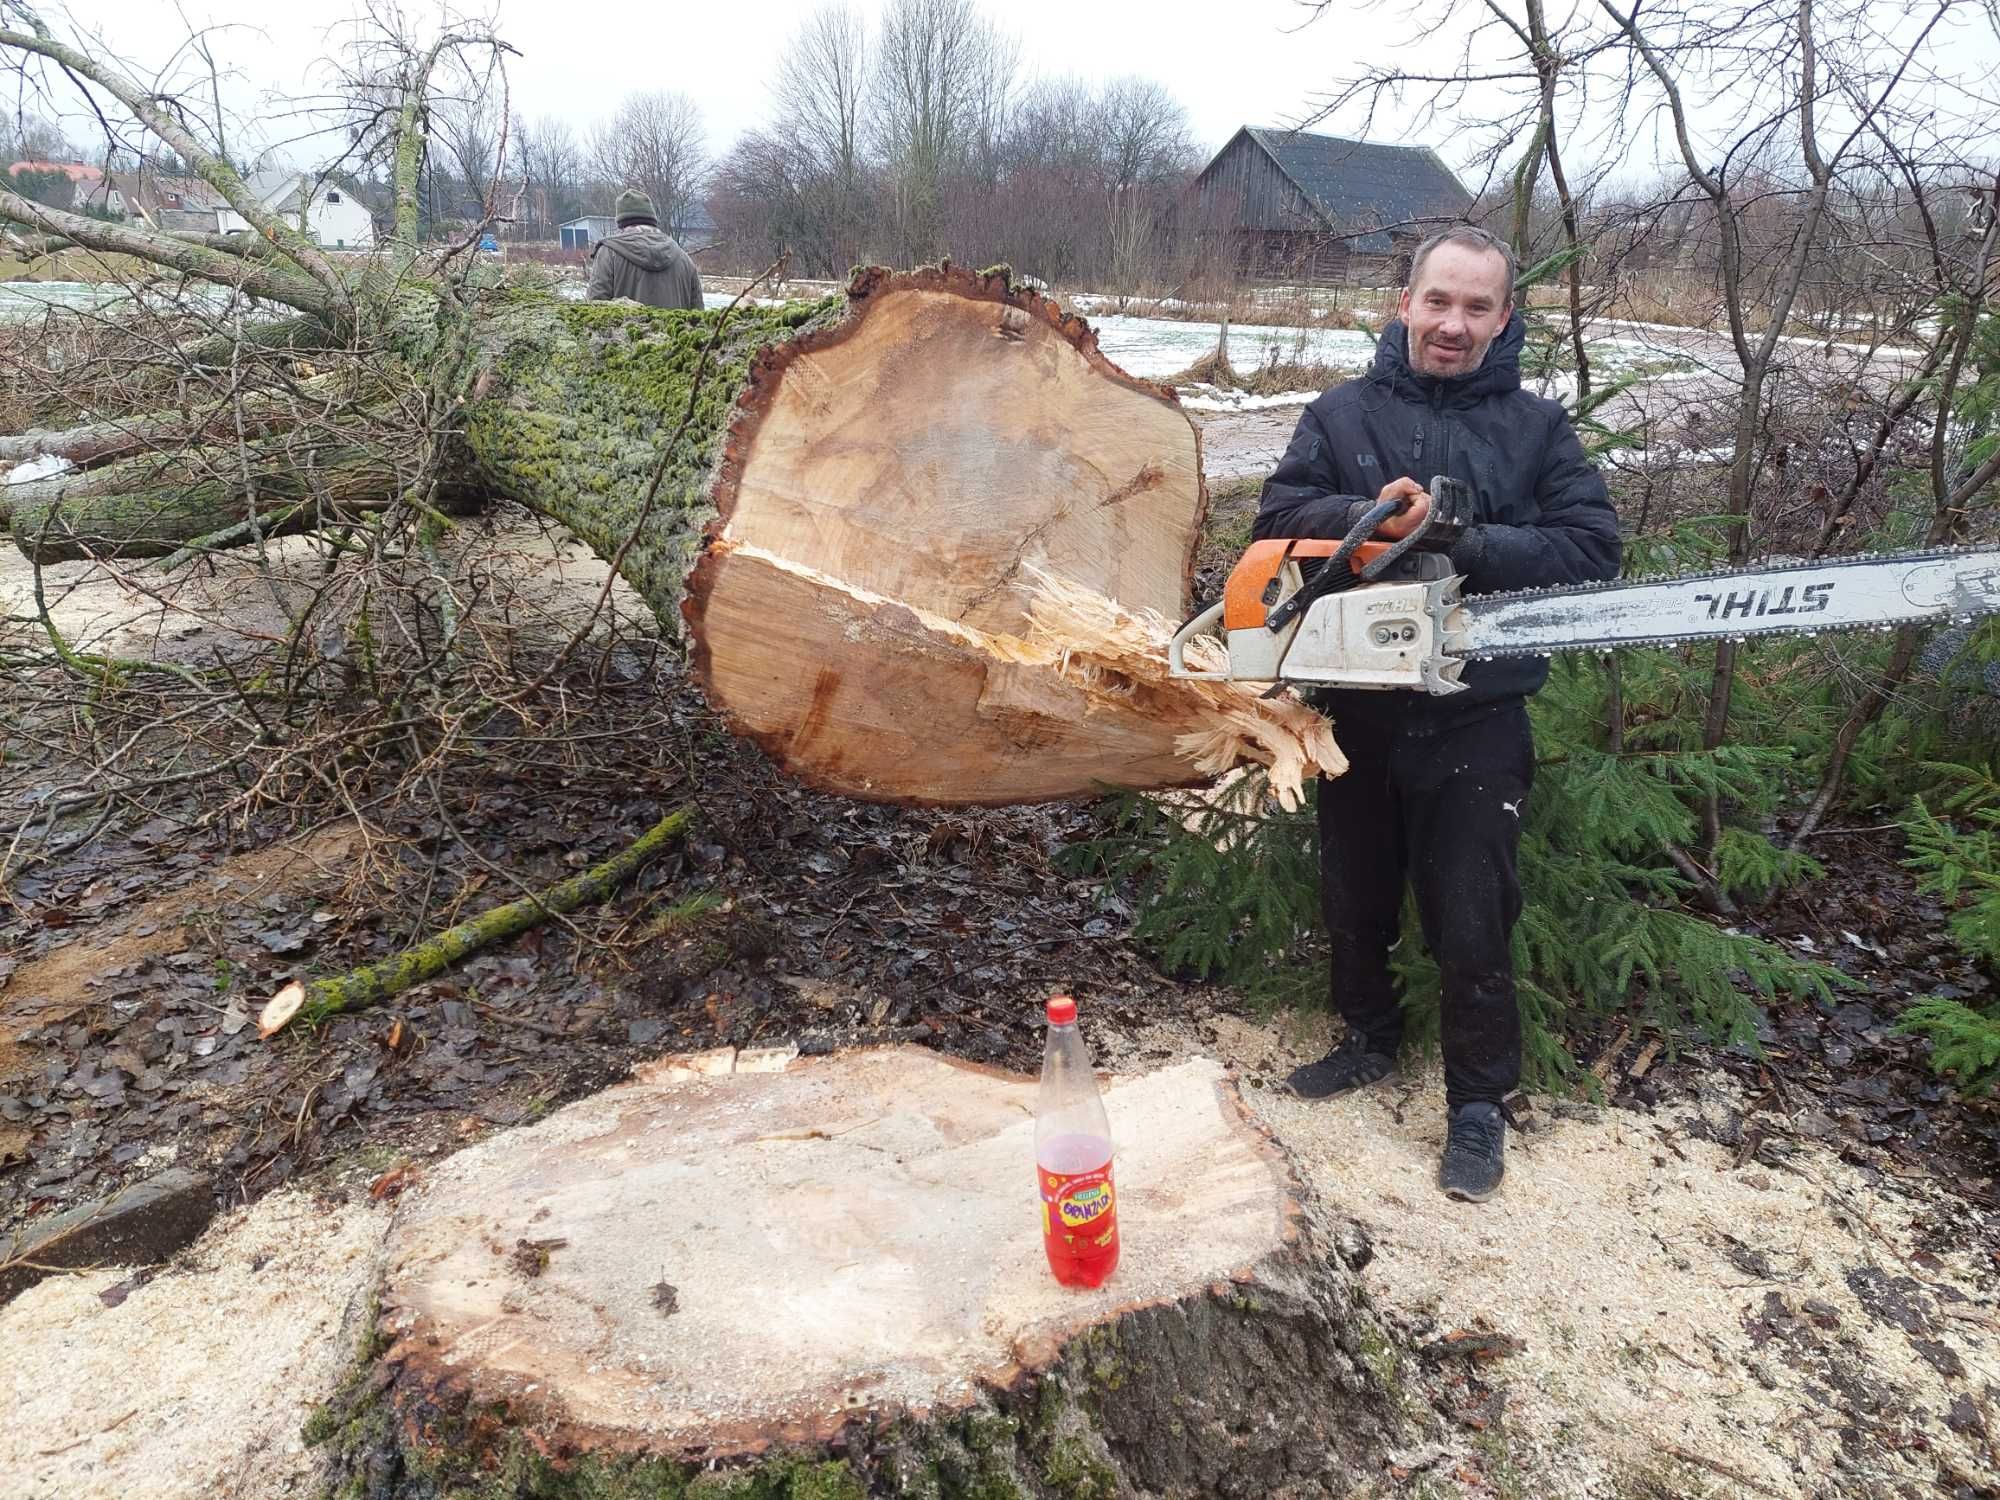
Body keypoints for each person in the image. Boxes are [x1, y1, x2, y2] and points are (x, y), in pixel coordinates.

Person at [1252, 223, 1620, 1202]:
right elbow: (1275, 521)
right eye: (1437, 301)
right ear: (1403, 304)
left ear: (1502, 318)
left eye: (1475, 307)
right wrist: (1368, 518)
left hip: (1475, 714)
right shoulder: (1338, 415)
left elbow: (1590, 549)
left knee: (1470, 913)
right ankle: (1367, 1035)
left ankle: (1475, 1103)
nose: (1452, 325)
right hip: (1357, 708)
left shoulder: (1534, 430)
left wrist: (1466, 538)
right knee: (1354, 895)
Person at [585, 188, 703, 310]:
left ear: (621, 222)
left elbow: (594, 310)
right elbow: (700, 318)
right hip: (674, 329)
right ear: (652, 219)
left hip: (626, 329)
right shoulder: (683, 258)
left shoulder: (608, 253)